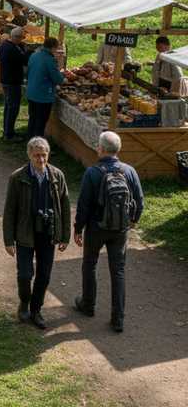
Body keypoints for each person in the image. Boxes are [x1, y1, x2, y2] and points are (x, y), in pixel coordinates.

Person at [74, 131, 144, 333]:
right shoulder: (129, 171)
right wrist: (132, 221)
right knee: (118, 271)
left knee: (90, 264)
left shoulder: (92, 172)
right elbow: (139, 202)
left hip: (96, 228)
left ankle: (88, 305)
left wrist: (78, 228)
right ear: (118, 149)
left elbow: (84, 205)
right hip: (120, 229)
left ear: (101, 149)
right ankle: (118, 318)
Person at [3, 137, 71, 329]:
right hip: (25, 233)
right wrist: (8, 240)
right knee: (25, 274)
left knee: (44, 275)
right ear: (29, 155)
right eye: (37, 156)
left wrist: (64, 236)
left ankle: (36, 309)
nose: (41, 159)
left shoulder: (57, 176)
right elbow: (9, 211)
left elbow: (65, 207)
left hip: (48, 234)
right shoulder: (17, 178)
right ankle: (24, 302)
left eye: (44, 155)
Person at [26, 37, 63, 138]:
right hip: (43, 95)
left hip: (31, 92)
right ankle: (38, 146)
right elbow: (58, 79)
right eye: (56, 48)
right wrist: (61, 73)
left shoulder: (34, 55)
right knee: (41, 122)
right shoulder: (50, 60)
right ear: (53, 48)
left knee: (32, 118)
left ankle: (30, 140)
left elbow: (28, 72)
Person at [0, 27, 29, 141]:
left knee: (8, 106)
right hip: (11, 82)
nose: (22, 40)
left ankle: (7, 130)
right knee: (13, 108)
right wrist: (29, 50)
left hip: (7, 80)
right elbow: (24, 60)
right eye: (21, 38)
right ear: (16, 37)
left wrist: (23, 47)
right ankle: (9, 134)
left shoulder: (6, 45)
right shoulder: (10, 49)